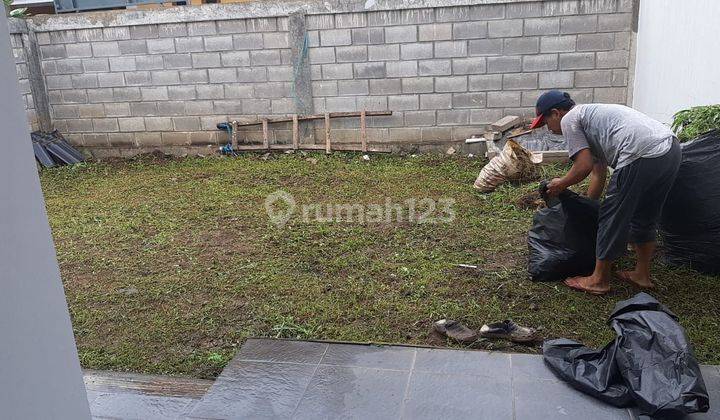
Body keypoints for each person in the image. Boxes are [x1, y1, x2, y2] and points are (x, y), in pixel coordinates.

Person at [529, 90, 681, 295]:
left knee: (612, 215)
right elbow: (597, 174)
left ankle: (599, 280)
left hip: (640, 153)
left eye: (546, 122)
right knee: (646, 214)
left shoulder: (570, 120)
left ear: (556, 113)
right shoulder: (592, 120)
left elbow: (582, 167)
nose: (548, 129)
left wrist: (561, 184)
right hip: (669, 149)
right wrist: (586, 211)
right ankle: (641, 275)